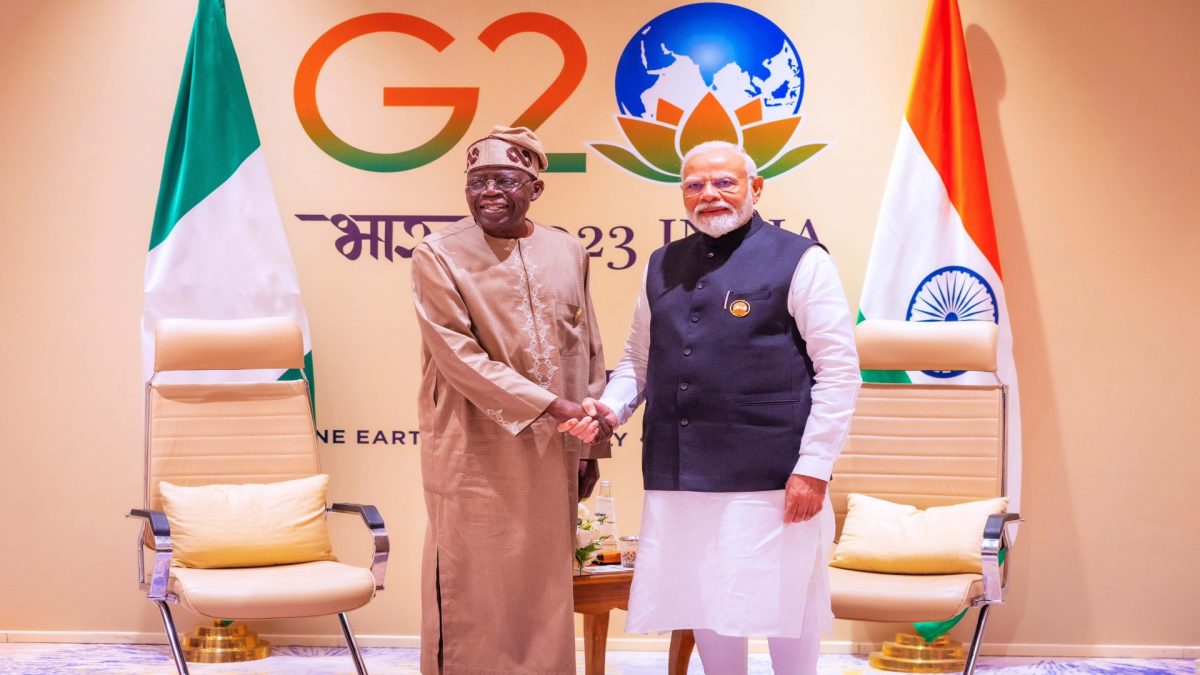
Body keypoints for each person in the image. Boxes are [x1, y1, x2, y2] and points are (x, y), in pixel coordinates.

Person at [562, 140, 860, 674]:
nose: (709, 195)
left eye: (724, 182)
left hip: (773, 475)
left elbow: (839, 372)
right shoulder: (662, 263)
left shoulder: (802, 259)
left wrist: (814, 467)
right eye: (695, 185)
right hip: (680, 470)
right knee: (705, 600)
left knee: (785, 604)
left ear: (755, 188)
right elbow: (638, 360)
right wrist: (609, 409)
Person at [411, 125, 610, 675]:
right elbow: (456, 354)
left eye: (503, 180)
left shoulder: (568, 250)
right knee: (472, 576)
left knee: (544, 584)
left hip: (556, 447)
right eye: (477, 182)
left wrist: (590, 448)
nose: (489, 193)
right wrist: (549, 407)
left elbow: (587, 347)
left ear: (535, 188)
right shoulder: (438, 254)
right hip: (471, 444)